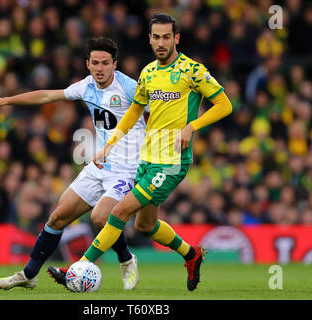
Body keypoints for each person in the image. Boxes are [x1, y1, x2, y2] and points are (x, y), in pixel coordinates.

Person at [49, 13, 233, 291]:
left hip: (171, 162)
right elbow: (135, 109)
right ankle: (191, 254)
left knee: (119, 212)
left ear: (176, 38)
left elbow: (224, 104)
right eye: (156, 37)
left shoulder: (193, 71)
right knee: (146, 226)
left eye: (166, 37)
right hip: (147, 159)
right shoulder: (147, 72)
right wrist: (111, 143)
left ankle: (79, 267)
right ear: (149, 39)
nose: (161, 43)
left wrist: (191, 127)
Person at [0, 37, 146, 290]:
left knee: (101, 218)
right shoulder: (86, 86)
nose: (100, 68)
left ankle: (126, 259)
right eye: (95, 63)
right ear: (88, 64)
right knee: (57, 218)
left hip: (128, 170)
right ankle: (28, 275)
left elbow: (162, 111)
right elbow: (46, 96)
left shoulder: (130, 87)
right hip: (99, 166)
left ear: (115, 65)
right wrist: (6, 100)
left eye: (105, 63)